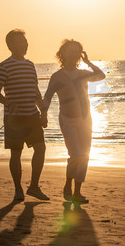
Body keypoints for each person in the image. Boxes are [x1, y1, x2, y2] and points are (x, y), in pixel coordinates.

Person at [42, 39, 105, 203]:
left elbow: (101, 75)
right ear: (63, 54)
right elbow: (47, 97)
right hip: (67, 120)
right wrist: (43, 114)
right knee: (76, 154)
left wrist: (88, 62)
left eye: (77, 51)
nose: (74, 54)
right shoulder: (57, 76)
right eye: (71, 51)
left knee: (84, 156)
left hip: (85, 119)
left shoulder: (83, 73)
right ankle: (67, 185)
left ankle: (77, 192)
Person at [0, 29, 49, 201]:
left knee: (40, 149)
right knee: (16, 153)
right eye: (20, 41)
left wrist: (43, 111)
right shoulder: (4, 66)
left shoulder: (30, 65)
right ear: (10, 45)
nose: (24, 44)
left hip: (32, 115)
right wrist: (8, 103)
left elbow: (36, 91)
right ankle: (18, 189)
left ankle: (33, 187)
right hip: (14, 118)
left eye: (25, 41)